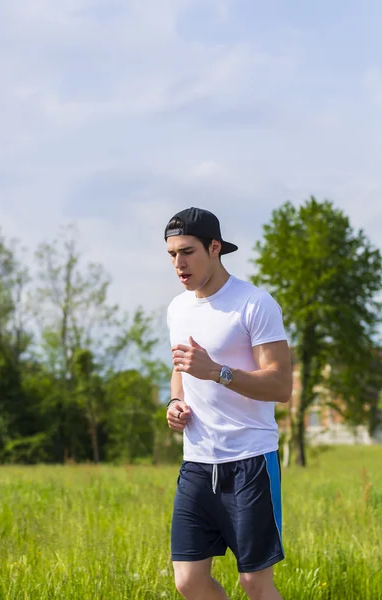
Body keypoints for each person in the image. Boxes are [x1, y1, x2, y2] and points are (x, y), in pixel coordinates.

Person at [164, 207, 292, 600]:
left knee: (254, 582)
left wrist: (217, 372)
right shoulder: (178, 308)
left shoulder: (254, 303)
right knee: (188, 580)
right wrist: (174, 401)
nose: (178, 264)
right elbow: (181, 370)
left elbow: (281, 385)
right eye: (171, 255)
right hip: (198, 463)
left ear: (214, 247)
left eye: (187, 252)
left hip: (250, 461)